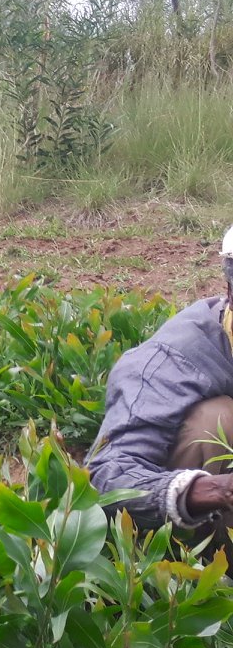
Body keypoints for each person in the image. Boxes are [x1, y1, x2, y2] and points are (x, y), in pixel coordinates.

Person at [89, 227, 233, 539]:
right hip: (196, 537)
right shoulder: (171, 361)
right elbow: (105, 477)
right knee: (217, 419)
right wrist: (213, 491)